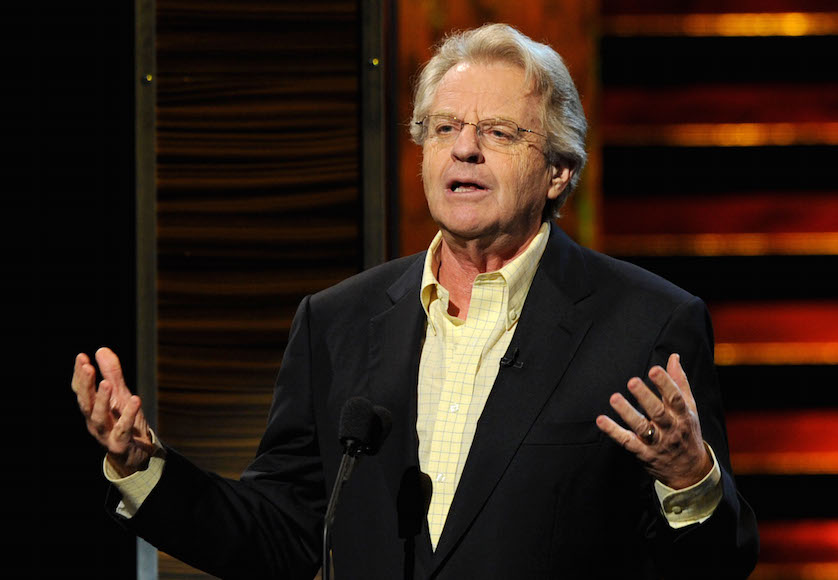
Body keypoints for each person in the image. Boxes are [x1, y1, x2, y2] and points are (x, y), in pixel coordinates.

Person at [72, 23, 758, 579]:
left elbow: (710, 566)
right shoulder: (336, 321)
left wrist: (689, 478)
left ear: (558, 171)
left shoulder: (645, 322)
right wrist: (144, 472)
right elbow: (281, 535)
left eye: (498, 132)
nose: (464, 149)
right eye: (442, 128)